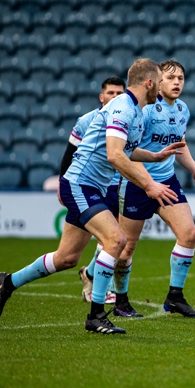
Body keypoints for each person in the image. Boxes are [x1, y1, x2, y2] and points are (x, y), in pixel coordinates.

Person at [0, 58, 184, 334]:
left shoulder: (138, 111)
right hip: (81, 184)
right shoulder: (122, 108)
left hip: (95, 186)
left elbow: (125, 150)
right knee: (116, 240)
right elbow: (114, 154)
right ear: (150, 83)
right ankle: (96, 316)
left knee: (67, 257)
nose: (164, 88)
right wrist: (150, 185)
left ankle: (8, 282)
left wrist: (154, 155)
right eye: (160, 82)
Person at [114, 59, 195, 318]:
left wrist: (194, 169)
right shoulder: (143, 111)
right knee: (126, 247)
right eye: (170, 78)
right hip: (137, 183)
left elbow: (179, 144)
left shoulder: (182, 109)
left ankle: (174, 297)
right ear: (157, 81)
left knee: (189, 234)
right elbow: (127, 152)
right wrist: (147, 183)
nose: (177, 82)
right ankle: (120, 300)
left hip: (167, 182)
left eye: (181, 78)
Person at [58, 77, 127, 305]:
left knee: (113, 240)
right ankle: (98, 290)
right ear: (102, 96)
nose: (115, 97)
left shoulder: (126, 119)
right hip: (93, 184)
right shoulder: (87, 120)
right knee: (109, 238)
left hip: (117, 184)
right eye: (111, 93)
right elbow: (70, 153)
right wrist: (62, 182)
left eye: (119, 93)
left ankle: (90, 276)